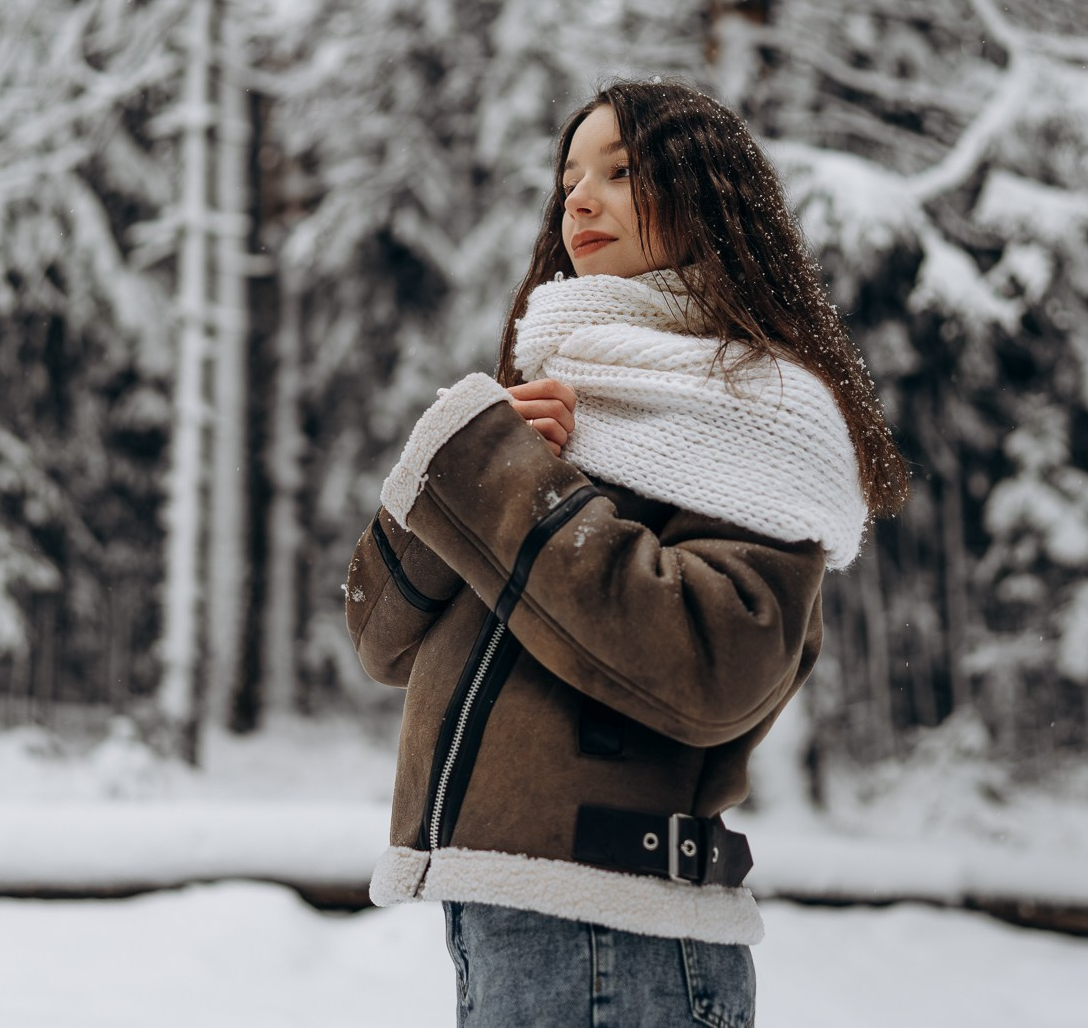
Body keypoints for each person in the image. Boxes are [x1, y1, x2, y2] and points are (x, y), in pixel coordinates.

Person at [343, 77, 909, 1027]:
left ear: (711, 197)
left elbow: (707, 663)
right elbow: (379, 638)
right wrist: (468, 460)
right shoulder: (559, 398)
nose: (579, 195)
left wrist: (512, 477)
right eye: (569, 174)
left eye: (622, 169)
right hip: (516, 919)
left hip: (624, 938)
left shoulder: (761, 406)